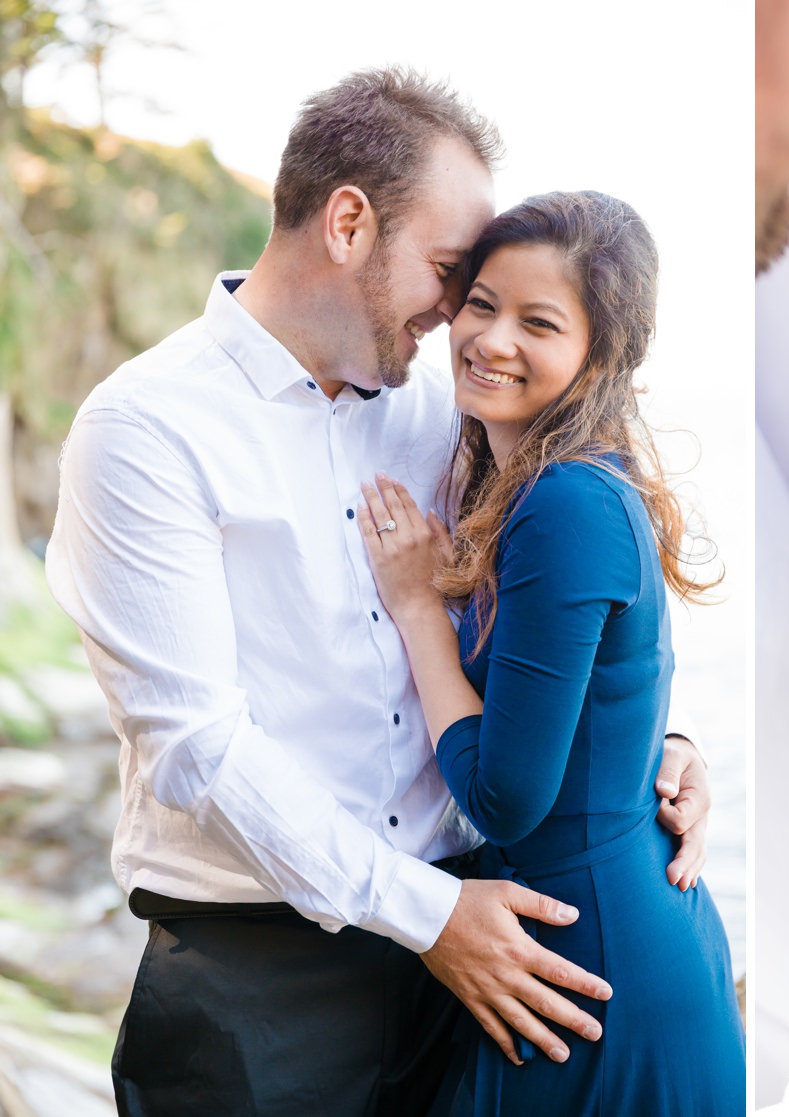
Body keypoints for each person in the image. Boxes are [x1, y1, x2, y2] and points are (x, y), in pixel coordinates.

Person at [45, 69, 713, 1116]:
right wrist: (427, 914)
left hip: (469, 956)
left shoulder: (438, 410)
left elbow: (562, 608)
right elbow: (197, 744)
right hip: (266, 992)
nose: (458, 316)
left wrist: (656, 753)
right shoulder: (146, 430)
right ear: (348, 222)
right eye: (451, 273)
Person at [357, 191, 745, 1114]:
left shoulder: (563, 502)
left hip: (590, 971)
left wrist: (415, 606)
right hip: (584, 938)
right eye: (482, 304)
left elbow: (506, 799)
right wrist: (675, 747)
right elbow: (618, 687)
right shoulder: (553, 480)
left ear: (599, 355)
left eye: (539, 322)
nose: (491, 339)